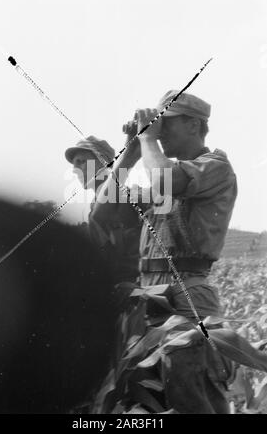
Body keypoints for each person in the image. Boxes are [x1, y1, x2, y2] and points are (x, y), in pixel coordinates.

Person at [92, 90, 267, 414]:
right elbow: (104, 210)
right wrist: (131, 153)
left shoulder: (215, 167)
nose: (160, 132)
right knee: (141, 397)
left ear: (193, 125)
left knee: (192, 395)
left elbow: (167, 180)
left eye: (166, 124)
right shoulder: (160, 179)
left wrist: (148, 141)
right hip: (146, 297)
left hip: (186, 294)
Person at [65, 135, 142, 284]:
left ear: (103, 162)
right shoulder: (95, 205)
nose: (75, 170)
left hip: (136, 286)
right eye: (75, 165)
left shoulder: (125, 197)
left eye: (81, 162)